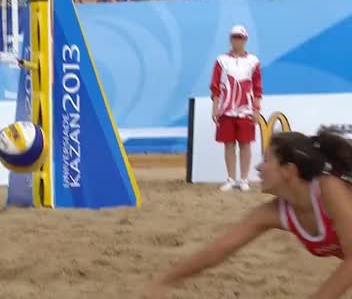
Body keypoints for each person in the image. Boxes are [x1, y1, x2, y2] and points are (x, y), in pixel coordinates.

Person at [147, 129, 352, 298]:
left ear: (289, 170)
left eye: (266, 160)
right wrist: (166, 280)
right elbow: (219, 250)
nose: (258, 167)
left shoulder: (329, 190)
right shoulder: (273, 212)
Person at [210, 25, 262, 191]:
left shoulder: (253, 61)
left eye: (240, 37)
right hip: (226, 109)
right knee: (229, 144)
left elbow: (257, 87)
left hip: (246, 109)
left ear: (245, 40)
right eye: (234, 37)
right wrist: (215, 107)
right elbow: (215, 86)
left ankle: (244, 179)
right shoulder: (221, 60)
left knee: (245, 144)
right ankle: (231, 178)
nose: (237, 40)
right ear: (230, 39)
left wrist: (256, 110)